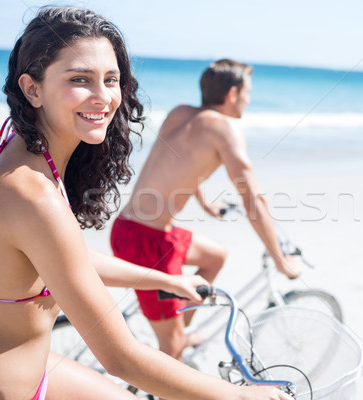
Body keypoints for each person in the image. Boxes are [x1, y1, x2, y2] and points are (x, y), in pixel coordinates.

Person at [0, 7, 292, 400]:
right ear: (33, 89)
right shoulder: (31, 194)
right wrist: (241, 396)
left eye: (111, 79)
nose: (103, 97)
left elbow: (63, 257)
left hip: (14, 369)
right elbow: (122, 358)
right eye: (80, 79)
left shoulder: (12, 152)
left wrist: (166, 279)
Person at [110, 59, 303, 361]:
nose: (249, 100)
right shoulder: (225, 130)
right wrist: (280, 259)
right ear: (232, 95)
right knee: (171, 352)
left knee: (215, 256)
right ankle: (172, 344)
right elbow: (253, 199)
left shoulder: (181, 113)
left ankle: (177, 330)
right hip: (147, 242)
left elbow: (179, 160)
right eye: (247, 92)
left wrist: (203, 201)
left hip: (130, 227)